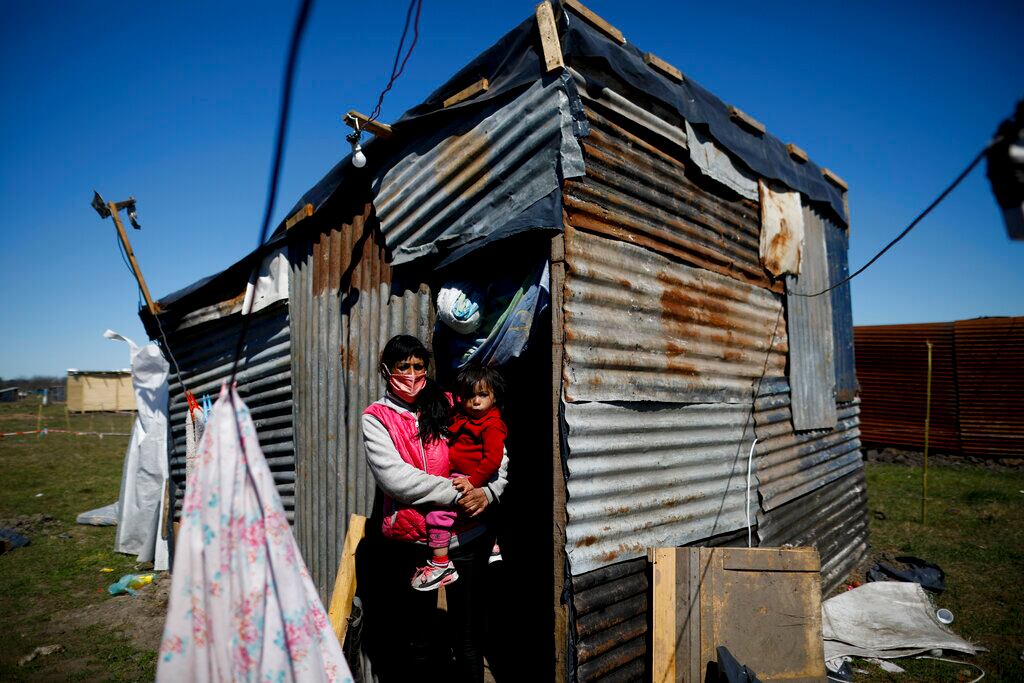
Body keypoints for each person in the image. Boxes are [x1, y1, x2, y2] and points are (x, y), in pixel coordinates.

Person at [360, 334, 507, 682]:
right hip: (414, 545)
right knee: (420, 641)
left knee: (469, 639)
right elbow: (396, 479)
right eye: (403, 367)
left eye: (418, 366)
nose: (411, 374)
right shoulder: (376, 418)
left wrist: (490, 492)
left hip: (469, 536)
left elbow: (495, 447)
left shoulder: (448, 401)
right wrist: (458, 492)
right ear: (386, 371)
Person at [413, 364, 509, 590]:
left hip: (470, 476)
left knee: (438, 514)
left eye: (483, 395)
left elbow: (493, 460)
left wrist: (472, 482)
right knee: (474, 513)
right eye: (469, 396)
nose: (475, 401)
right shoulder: (464, 416)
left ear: (494, 397)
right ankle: (493, 547)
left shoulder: (492, 425)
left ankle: (440, 564)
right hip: (464, 475)